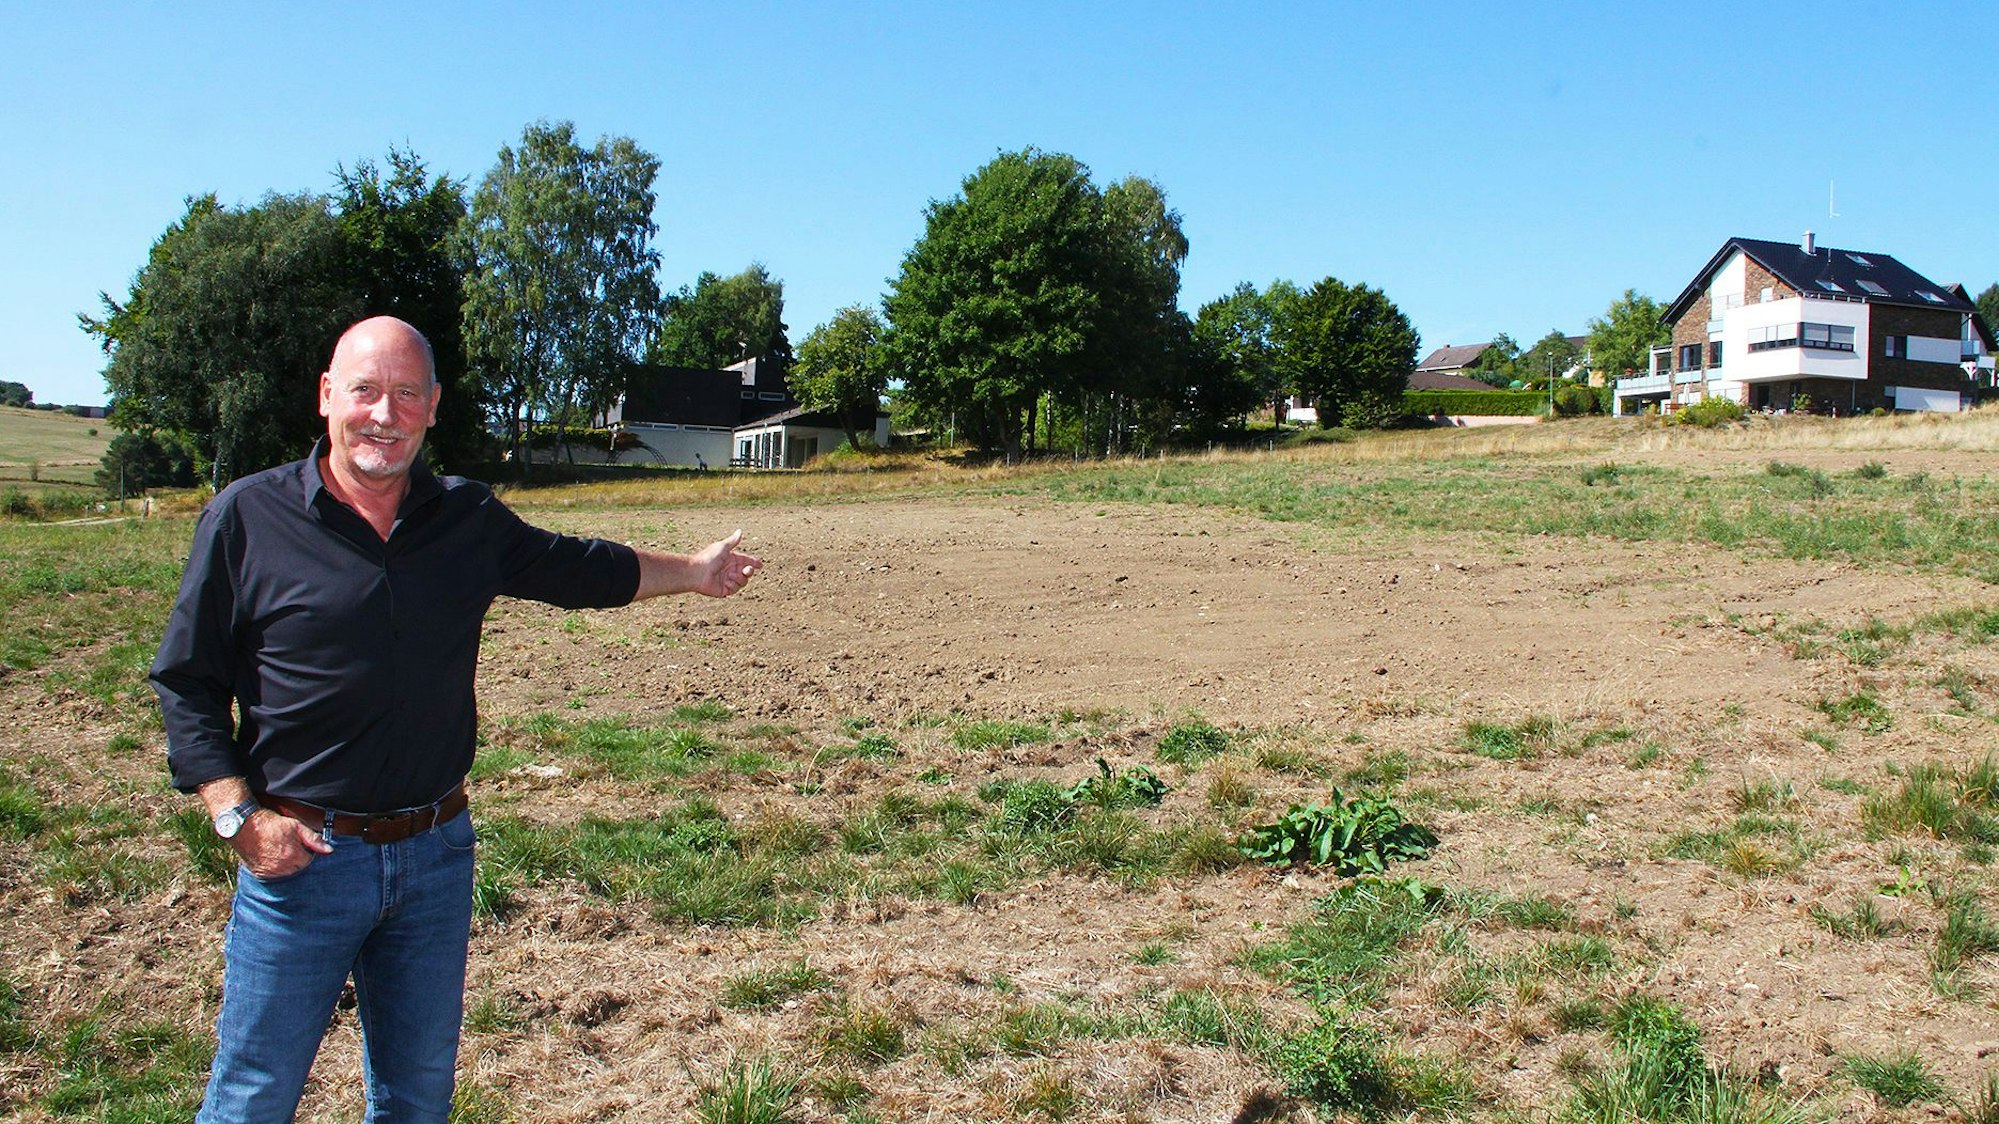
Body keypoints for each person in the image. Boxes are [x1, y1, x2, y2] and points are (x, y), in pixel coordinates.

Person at [151, 316, 761, 1123]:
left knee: (417, 1097)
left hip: (434, 855)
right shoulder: (247, 517)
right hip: (300, 858)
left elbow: (572, 567)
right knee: (253, 1096)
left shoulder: (465, 518)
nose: (384, 413)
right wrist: (236, 816)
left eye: (407, 393)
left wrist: (692, 571)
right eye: (365, 390)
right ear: (328, 396)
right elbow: (187, 679)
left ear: (432, 407)